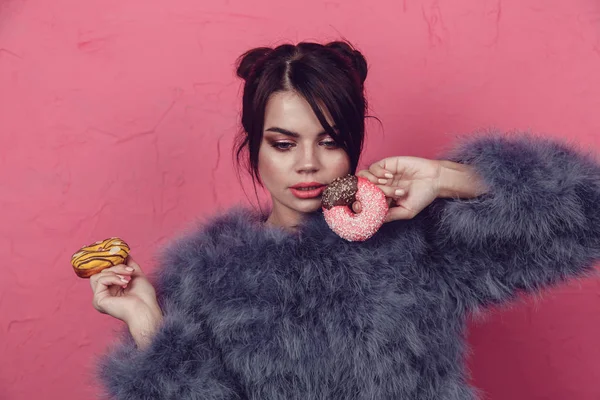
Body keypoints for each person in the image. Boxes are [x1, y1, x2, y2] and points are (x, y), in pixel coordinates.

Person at [90, 41, 600, 399]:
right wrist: (146, 321)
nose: (307, 163)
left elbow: (587, 218)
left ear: (353, 144)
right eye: (284, 143)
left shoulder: (415, 240)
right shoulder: (200, 279)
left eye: (329, 141)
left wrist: (447, 177)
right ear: (254, 148)